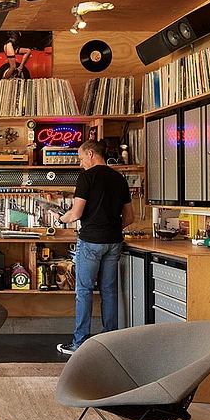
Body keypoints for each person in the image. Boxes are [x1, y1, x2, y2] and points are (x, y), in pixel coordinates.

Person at [56, 140, 134, 356]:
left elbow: (76, 213)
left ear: (90, 153)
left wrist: (62, 219)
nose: (81, 163)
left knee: (84, 292)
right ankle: (110, 342)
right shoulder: (119, 178)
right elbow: (129, 217)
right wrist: (109, 227)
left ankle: (79, 343)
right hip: (113, 241)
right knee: (109, 292)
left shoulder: (87, 177)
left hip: (91, 242)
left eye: (81, 158)